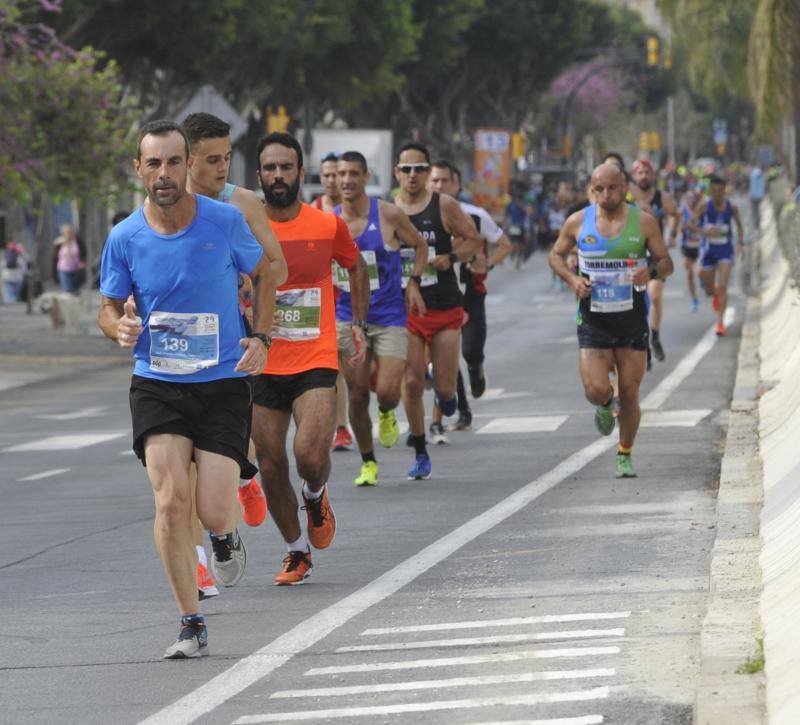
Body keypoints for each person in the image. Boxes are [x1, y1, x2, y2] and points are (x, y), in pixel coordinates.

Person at [98, 120, 274, 659]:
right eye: (154, 164)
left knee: (214, 510)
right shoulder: (124, 236)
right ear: (139, 170)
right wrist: (118, 327)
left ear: (186, 165)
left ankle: (223, 534)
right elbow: (108, 308)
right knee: (172, 503)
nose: (165, 173)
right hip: (157, 381)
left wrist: (262, 336)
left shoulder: (222, 221)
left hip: (221, 381)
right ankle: (190, 620)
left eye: (174, 162)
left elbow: (266, 272)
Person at [252, 131, 369, 585]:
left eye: (286, 167)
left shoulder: (325, 225)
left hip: (315, 354)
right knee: (269, 463)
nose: (277, 175)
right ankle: (295, 551)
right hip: (263, 357)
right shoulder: (245, 227)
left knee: (309, 455)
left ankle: (316, 493)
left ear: (301, 173)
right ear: (259, 175)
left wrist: (358, 323)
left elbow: (355, 265)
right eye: (269, 168)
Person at [182, 112, 288, 598]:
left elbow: (277, 268)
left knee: (219, 453)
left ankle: (245, 475)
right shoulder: (161, 205)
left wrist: (243, 273)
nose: (222, 167)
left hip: (230, 341)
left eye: (227, 157)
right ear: (187, 160)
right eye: (211, 160)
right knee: (176, 472)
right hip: (171, 350)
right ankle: (198, 566)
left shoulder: (240, 203)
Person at [549, 162, 673, 478]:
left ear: (625, 188)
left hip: (631, 320)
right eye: (599, 188)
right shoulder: (578, 222)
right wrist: (572, 280)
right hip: (594, 321)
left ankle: (624, 453)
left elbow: (667, 262)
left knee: (630, 395)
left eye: (613, 187)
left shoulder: (644, 222)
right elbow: (555, 256)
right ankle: (605, 404)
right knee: (594, 389)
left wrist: (651, 272)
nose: (606, 194)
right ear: (592, 190)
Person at [335, 150, 427, 486]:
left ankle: (387, 412)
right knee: (357, 394)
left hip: (388, 315)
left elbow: (419, 246)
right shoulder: (329, 221)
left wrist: (413, 281)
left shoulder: (387, 214)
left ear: (365, 177)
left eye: (353, 174)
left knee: (388, 391)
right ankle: (368, 462)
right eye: (341, 174)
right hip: (346, 316)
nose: (346, 181)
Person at [393, 142, 482, 479]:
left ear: (429, 173)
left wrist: (453, 258)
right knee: (412, 381)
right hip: (406, 308)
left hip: (443, 304)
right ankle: (419, 449)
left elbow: (473, 240)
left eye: (419, 169)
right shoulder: (389, 210)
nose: (413, 175)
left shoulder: (443, 205)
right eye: (406, 169)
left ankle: (446, 401)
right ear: (396, 173)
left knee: (445, 389)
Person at [428, 161, 512, 433]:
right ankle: (458, 411)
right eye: (435, 181)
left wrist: (486, 264)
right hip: (439, 296)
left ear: (457, 185)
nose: (440, 186)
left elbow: (505, 244)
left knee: (470, 352)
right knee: (445, 356)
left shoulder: (476, 216)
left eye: (445, 181)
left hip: (471, 295)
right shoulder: (419, 216)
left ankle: (476, 369)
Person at [629, 158, 679, 366]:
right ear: (634, 176)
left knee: (655, 295)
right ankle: (642, 344)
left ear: (653, 175)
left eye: (647, 173)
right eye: (640, 173)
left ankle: (655, 336)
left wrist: (673, 232)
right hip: (633, 252)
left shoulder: (662, 197)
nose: (644, 177)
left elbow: (674, 214)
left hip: (655, 252)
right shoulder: (627, 197)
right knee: (638, 302)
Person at [690, 175, 744, 336]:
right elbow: (690, 224)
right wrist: (705, 231)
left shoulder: (731, 207)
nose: (717, 193)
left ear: (725, 190)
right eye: (714, 190)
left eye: (720, 190)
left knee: (723, 285)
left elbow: (740, 226)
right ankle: (713, 292)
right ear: (710, 191)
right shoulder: (704, 206)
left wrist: (741, 244)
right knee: (709, 290)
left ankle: (720, 322)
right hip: (708, 250)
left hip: (725, 250)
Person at [677, 186, 705, 312]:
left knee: (699, 271)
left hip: (700, 247)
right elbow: (676, 224)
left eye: (692, 198)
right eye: (688, 198)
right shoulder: (683, 211)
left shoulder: (701, 212)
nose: (690, 200)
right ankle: (694, 300)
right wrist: (680, 228)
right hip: (687, 247)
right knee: (689, 274)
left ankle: (703, 278)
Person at [51, 224, 86, 295]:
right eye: (66, 232)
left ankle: (75, 304)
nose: (68, 233)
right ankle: (69, 304)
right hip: (63, 269)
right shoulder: (60, 242)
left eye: (70, 231)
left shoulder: (77, 240)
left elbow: (83, 251)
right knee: (68, 291)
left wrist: (82, 261)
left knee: (76, 291)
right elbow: (55, 257)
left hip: (76, 269)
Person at [748, 163, 765, 231]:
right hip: (759, 195)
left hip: (754, 195)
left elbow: (752, 186)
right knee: (757, 209)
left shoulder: (753, 174)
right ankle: (758, 222)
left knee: (755, 210)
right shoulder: (760, 174)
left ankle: (756, 223)